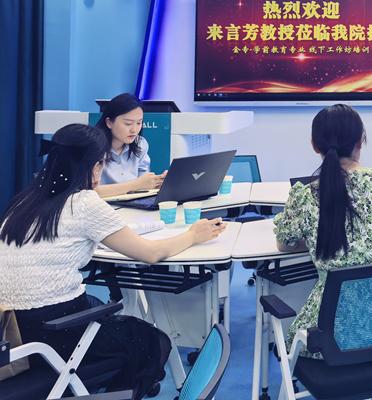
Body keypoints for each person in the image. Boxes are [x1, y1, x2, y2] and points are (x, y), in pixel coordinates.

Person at [0, 124, 226, 399]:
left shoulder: (24, 201)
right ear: (93, 166)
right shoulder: (84, 204)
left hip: (10, 330)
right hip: (54, 331)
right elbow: (150, 254)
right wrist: (193, 234)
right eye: (101, 163)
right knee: (151, 341)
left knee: (101, 308)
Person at [274, 104, 372, 357]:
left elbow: (284, 243)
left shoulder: (306, 196)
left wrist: (318, 239)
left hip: (335, 339)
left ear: (315, 145)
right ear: (360, 141)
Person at [93, 93, 165, 199]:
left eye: (139, 123)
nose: (134, 130)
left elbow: (143, 186)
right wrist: (136, 185)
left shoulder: (140, 144)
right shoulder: (93, 146)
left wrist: (158, 182)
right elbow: (88, 191)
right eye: (128, 123)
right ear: (109, 123)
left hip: (131, 204)